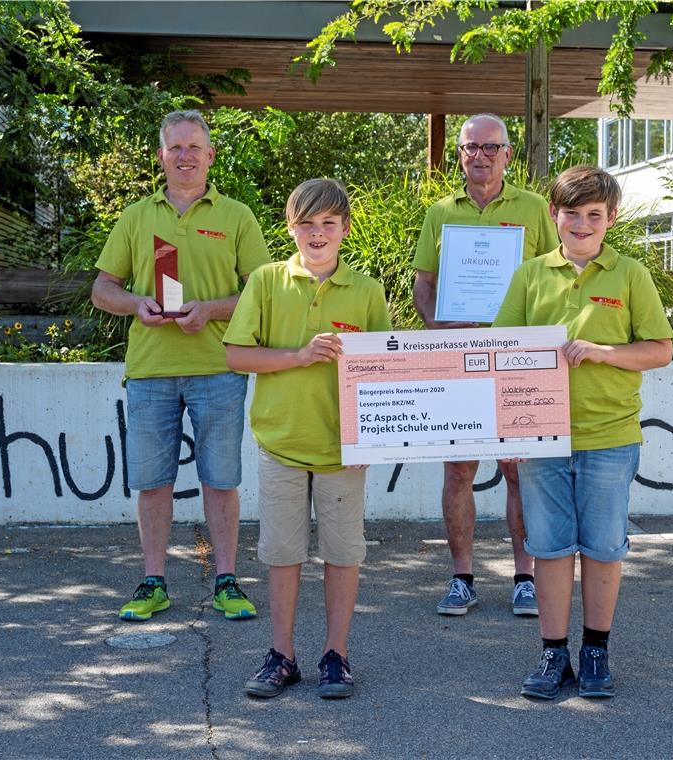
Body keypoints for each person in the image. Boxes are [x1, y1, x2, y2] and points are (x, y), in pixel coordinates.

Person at [492, 165, 673, 699]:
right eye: (572, 213)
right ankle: (554, 656)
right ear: (554, 215)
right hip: (540, 436)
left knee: (602, 549)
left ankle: (595, 651)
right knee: (548, 548)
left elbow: (659, 350)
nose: (582, 224)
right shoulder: (529, 276)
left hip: (610, 437)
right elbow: (502, 352)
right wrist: (507, 434)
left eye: (594, 215)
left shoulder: (631, 274)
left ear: (610, 218)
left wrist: (602, 352)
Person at [91, 110, 270, 622]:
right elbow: (102, 289)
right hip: (150, 369)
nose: (185, 156)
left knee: (220, 480)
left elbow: (261, 290)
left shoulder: (236, 216)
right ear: (161, 156)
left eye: (194, 147)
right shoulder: (136, 216)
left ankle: (227, 581)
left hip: (219, 367)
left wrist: (210, 310)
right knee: (152, 482)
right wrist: (137, 304)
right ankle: (153, 581)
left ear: (210, 155)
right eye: (176, 148)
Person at [224, 179, 392, 700]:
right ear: (290, 226)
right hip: (282, 444)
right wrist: (297, 355)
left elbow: (382, 373)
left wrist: (374, 441)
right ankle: (283, 656)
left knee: (344, 554)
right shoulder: (267, 282)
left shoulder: (366, 291)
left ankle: (335, 655)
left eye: (328, 223)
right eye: (307, 223)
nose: (317, 233)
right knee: (282, 553)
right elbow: (236, 355)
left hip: (344, 450)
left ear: (344, 229)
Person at [412, 113, 560, 617]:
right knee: (459, 471)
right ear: (459, 154)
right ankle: (461, 578)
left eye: (490, 147)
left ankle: (525, 577)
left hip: (516, 360)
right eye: (470, 147)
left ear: (507, 153)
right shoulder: (439, 212)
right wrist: (435, 327)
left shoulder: (535, 208)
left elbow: (556, 277)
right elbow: (423, 283)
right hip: (457, 358)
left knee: (519, 471)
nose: (480, 156)